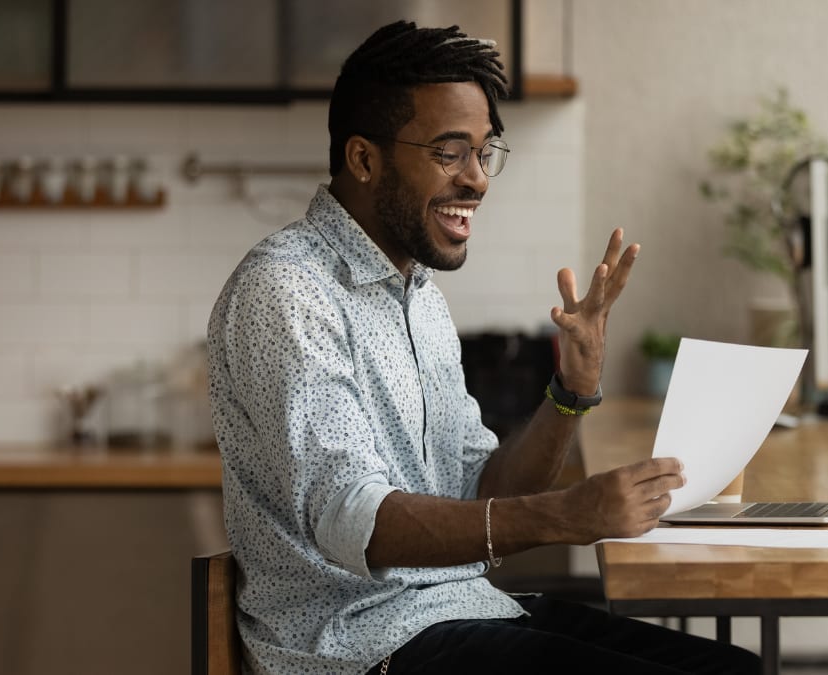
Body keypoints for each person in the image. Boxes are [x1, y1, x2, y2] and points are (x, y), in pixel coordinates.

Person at [207, 20, 760, 675]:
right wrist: (564, 514)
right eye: (450, 151)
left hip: (459, 610)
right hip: (356, 647)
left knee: (736, 668)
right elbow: (353, 520)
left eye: (484, 151)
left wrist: (570, 391)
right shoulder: (287, 287)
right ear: (363, 159)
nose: (478, 179)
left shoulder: (419, 295)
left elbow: (483, 487)